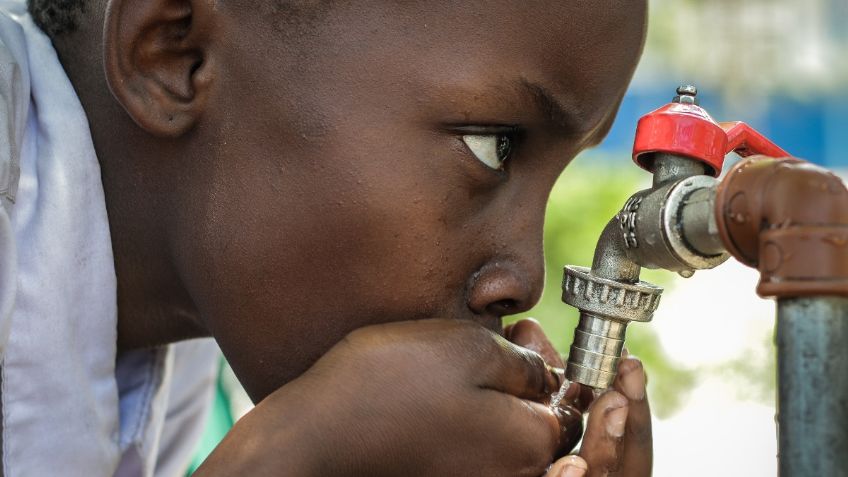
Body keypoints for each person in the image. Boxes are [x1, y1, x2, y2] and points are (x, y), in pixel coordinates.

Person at [0, 0, 652, 475]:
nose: (525, 278)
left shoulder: (169, 362)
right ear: (176, 56)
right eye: (493, 144)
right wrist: (288, 457)